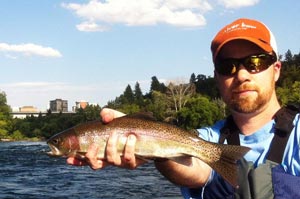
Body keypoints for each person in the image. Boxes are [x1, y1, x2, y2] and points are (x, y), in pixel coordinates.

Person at [67, 18, 300, 198]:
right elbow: (196, 171)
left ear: (277, 69)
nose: (241, 75)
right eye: (227, 66)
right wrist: (148, 144)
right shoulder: (209, 138)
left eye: (255, 63)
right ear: (216, 76)